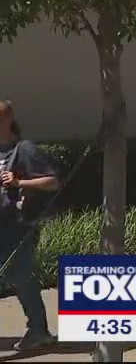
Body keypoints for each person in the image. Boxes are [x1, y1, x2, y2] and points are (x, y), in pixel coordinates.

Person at [0, 99, 59, 351]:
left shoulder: (24, 149)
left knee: (21, 276)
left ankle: (39, 331)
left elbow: (52, 182)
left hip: (19, 225)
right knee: (14, 276)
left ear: (7, 120)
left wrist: (19, 183)